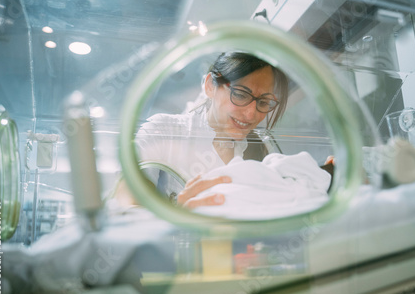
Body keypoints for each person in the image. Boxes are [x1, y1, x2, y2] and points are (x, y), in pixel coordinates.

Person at [119, 52, 290, 209]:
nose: (251, 113)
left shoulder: (263, 151)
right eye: (240, 94)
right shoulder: (163, 131)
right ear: (210, 86)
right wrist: (177, 217)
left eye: (263, 102)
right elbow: (127, 209)